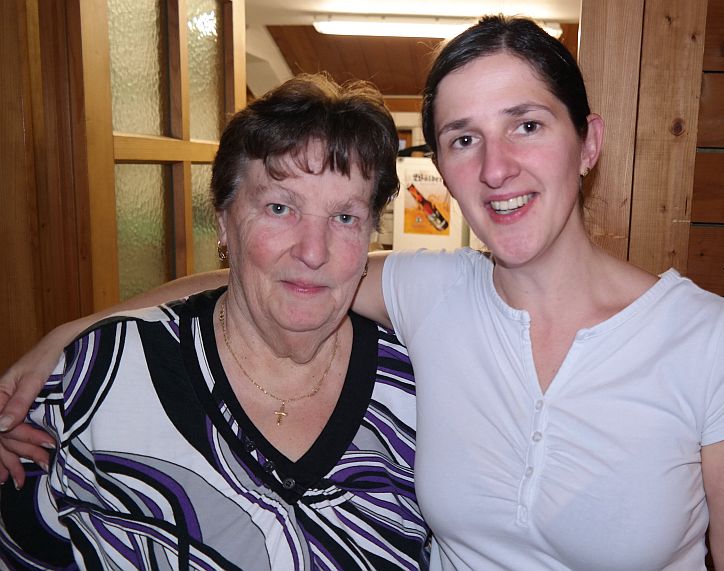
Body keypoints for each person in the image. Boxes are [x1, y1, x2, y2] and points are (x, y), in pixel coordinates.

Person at [2, 14, 724, 570]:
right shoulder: (435, 290)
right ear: (443, 168)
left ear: (587, 143)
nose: (496, 167)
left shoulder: (713, 344)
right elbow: (267, 277)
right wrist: (67, 338)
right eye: (464, 138)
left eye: (526, 124)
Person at [0, 73, 429, 570]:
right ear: (224, 220)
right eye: (279, 207)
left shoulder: (422, 386)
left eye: (345, 218)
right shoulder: (96, 377)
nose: (314, 252)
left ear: (372, 232)